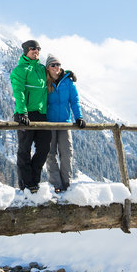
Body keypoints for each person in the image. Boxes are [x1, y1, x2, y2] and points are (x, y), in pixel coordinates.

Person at [10, 39, 51, 192]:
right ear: (26, 50)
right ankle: (26, 184)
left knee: (44, 148)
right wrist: (22, 112)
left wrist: (67, 74)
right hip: (24, 114)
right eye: (33, 48)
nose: (36, 51)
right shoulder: (20, 70)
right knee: (24, 150)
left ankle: (34, 180)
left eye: (39, 49)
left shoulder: (41, 69)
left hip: (41, 114)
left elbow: (55, 73)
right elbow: (18, 92)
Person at [44, 53, 85, 193]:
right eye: (53, 65)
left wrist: (78, 117)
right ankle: (56, 185)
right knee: (50, 154)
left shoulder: (68, 81)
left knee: (66, 153)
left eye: (58, 65)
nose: (56, 67)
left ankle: (67, 184)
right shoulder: (44, 81)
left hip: (64, 123)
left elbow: (74, 100)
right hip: (48, 124)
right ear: (48, 68)